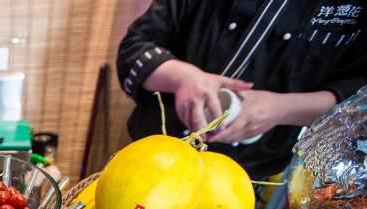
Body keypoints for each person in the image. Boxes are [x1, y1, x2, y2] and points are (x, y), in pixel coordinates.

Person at [118, 1, 367, 179]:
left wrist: (279, 109)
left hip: (245, 176)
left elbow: (359, 99)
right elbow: (135, 48)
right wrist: (184, 78)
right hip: (146, 153)